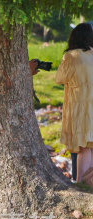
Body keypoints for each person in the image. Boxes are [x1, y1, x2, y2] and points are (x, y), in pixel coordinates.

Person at [56, 22, 93, 185]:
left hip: (80, 106)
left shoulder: (71, 56)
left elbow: (60, 78)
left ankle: (81, 184)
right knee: (90, 146)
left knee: (83, 147)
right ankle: (88, 184)